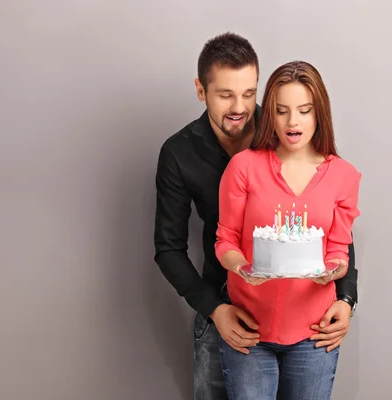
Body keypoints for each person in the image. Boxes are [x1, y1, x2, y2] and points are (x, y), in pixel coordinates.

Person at [153, 33, 359, 400]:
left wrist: (346, 297)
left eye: (249, 93)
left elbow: (328, 226)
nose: (240, 106)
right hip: (222, 305)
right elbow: (169, 248)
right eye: (225, 95)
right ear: (201, 90)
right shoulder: (179, 153)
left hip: (303, 316)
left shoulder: (287, 125)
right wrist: (216, 311)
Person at [214, 60, 362, 400]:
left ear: (319, 114)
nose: (292, 122)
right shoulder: (244, 167)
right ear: (270, 115)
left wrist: (335, 273)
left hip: (314, 333)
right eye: (282, 111)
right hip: (249, 330)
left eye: (304, 110)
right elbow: (226, 241)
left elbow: (339, 250)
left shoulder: (343, 175)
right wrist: (243, 268)